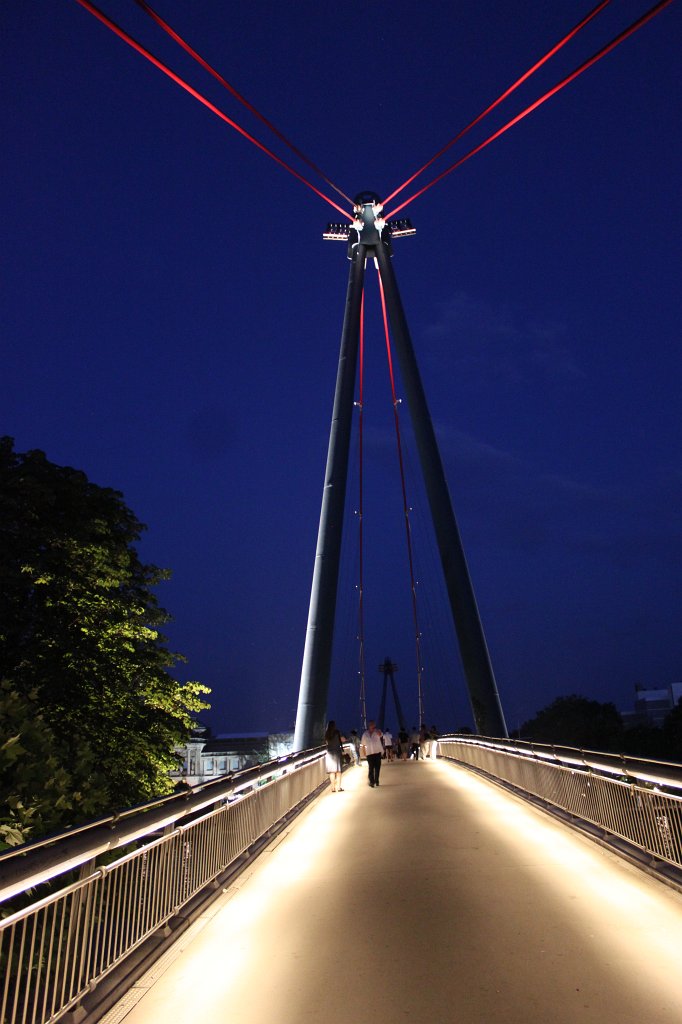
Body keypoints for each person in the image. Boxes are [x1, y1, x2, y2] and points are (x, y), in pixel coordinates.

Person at [360, 720, 384, 787]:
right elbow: (363, 744)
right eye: (371, 725)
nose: (372, 726)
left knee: (377, 768)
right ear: (368, 726)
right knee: (371, 768)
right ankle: (372, 782)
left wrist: (376, 730)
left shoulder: (377, 732)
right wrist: (364, 752)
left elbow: (381, 735)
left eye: (373, 724)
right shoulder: (365, 734)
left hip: (377, 752)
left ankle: (377, 780)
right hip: (369, 753)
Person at [325, 720, 345, 792]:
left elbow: (326, 743)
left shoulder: (326, 734)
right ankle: (338, 787)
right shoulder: (337, 732)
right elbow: (341, 741)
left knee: (332, 772)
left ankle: (333, 788)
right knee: (338, 771)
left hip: (329, 754)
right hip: (337, 753)